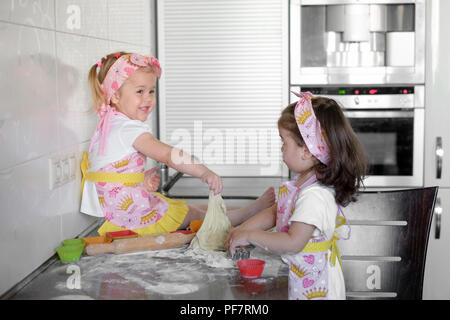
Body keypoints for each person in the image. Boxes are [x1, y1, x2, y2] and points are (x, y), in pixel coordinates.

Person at [80, 52, 275, 236]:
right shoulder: (128, 129)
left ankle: (250, 210)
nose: (148, 98)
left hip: (116, 210)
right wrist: (203, 172)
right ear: (115, 95)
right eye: (140, 91)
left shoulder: (112, 122)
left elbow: (110, 172)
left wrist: (141, 181)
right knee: (193, 215)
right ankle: (245, 215)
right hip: (127, 217)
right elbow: (168, 155)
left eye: (151, 91)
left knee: (191, 208)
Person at [227, 92, 368, 300]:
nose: (281, 148)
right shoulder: (303, 183)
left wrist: (249, 236)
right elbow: (276, 213)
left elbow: (294, 242)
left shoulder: (315, 195)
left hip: (316, 288)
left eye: (284, 142)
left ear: (307, 151)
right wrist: (240, 231)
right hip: (300, 278)